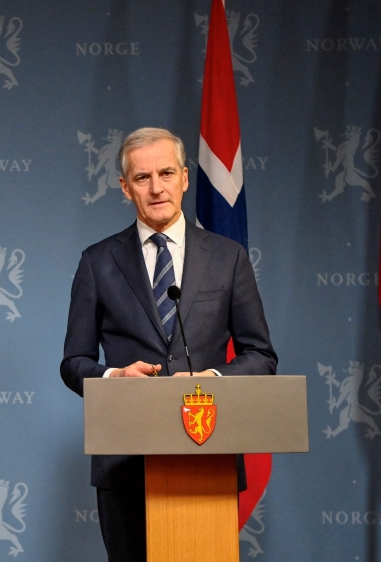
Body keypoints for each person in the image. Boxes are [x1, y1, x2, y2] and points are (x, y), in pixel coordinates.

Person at [60, 127, 276, 562]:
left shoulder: (228, 257)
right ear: (125, 187)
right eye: (142, 178)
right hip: (124, 463)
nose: (156, 188)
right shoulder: (97, 262)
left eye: (165, 173)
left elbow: (261, 356)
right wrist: (111, 377)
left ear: (185, 177)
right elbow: (73, 362)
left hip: (206, 453)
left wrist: (212, 379)